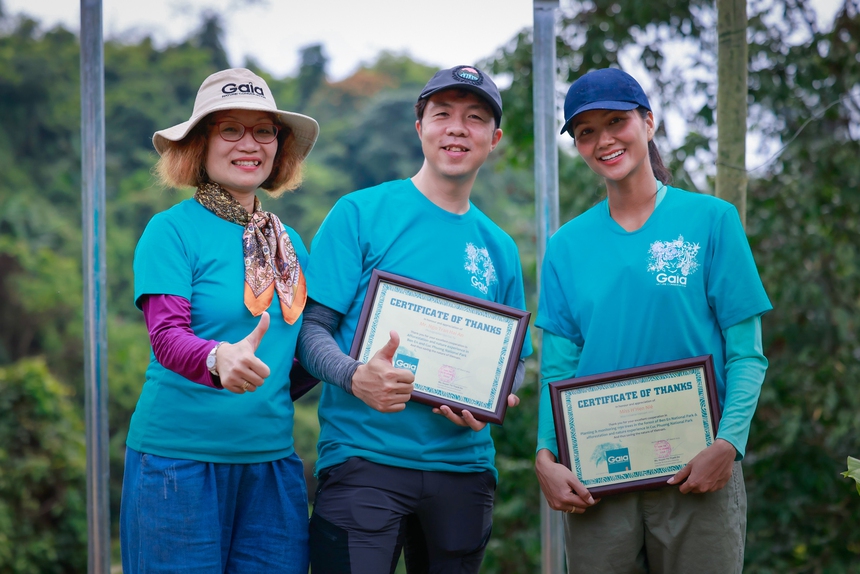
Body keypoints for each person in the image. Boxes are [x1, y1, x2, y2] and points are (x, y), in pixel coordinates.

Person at [534, 67, 772, 574]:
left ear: (648, 122)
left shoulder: (712, 220)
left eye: (616, 121)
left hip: (699, 474)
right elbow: (558, 367)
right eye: (585, 132)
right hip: (598, 480)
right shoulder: (566, 246)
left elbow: (747, 352)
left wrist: (728, 445)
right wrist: (545, 457)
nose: (603, 140)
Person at [298, 65, 533, 573]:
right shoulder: (359, 213)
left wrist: (497, 397)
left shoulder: (500, 248)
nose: (456, 128)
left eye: (473, 118)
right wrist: (355, 376)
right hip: (364, 461)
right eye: (441, 114)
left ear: (493, 139)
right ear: (419, 126)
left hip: (464, 470)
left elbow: (514, 360)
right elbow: (311, 332)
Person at [120, 68, 319, 574]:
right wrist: (217, 357)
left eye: (263, 130)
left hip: (272, 465)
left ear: (279, 145)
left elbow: (301, 353)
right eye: (230, 128)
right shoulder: (170, 232)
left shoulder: (289, 243)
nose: (248, 144)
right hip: (177, 464)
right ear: (200, 144)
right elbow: (167, 337)